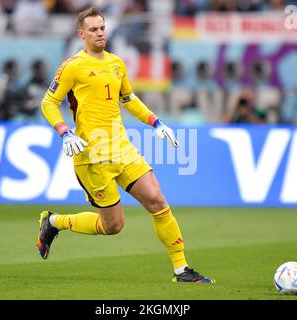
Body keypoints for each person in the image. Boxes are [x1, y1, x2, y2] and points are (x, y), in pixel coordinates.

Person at [37, 7, 215, 284]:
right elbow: (48, 102)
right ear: (81, 34)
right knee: (113, 226)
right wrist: (64, 131)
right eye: (93, 29)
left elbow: (128, 99)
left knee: (158, 201)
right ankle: (54, 222)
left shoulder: (117, 63)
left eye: (102, 28)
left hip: (122, 149)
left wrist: (156, 122)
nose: (100, 33)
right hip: (91, 156)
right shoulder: (72, 66)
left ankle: (182, 269)